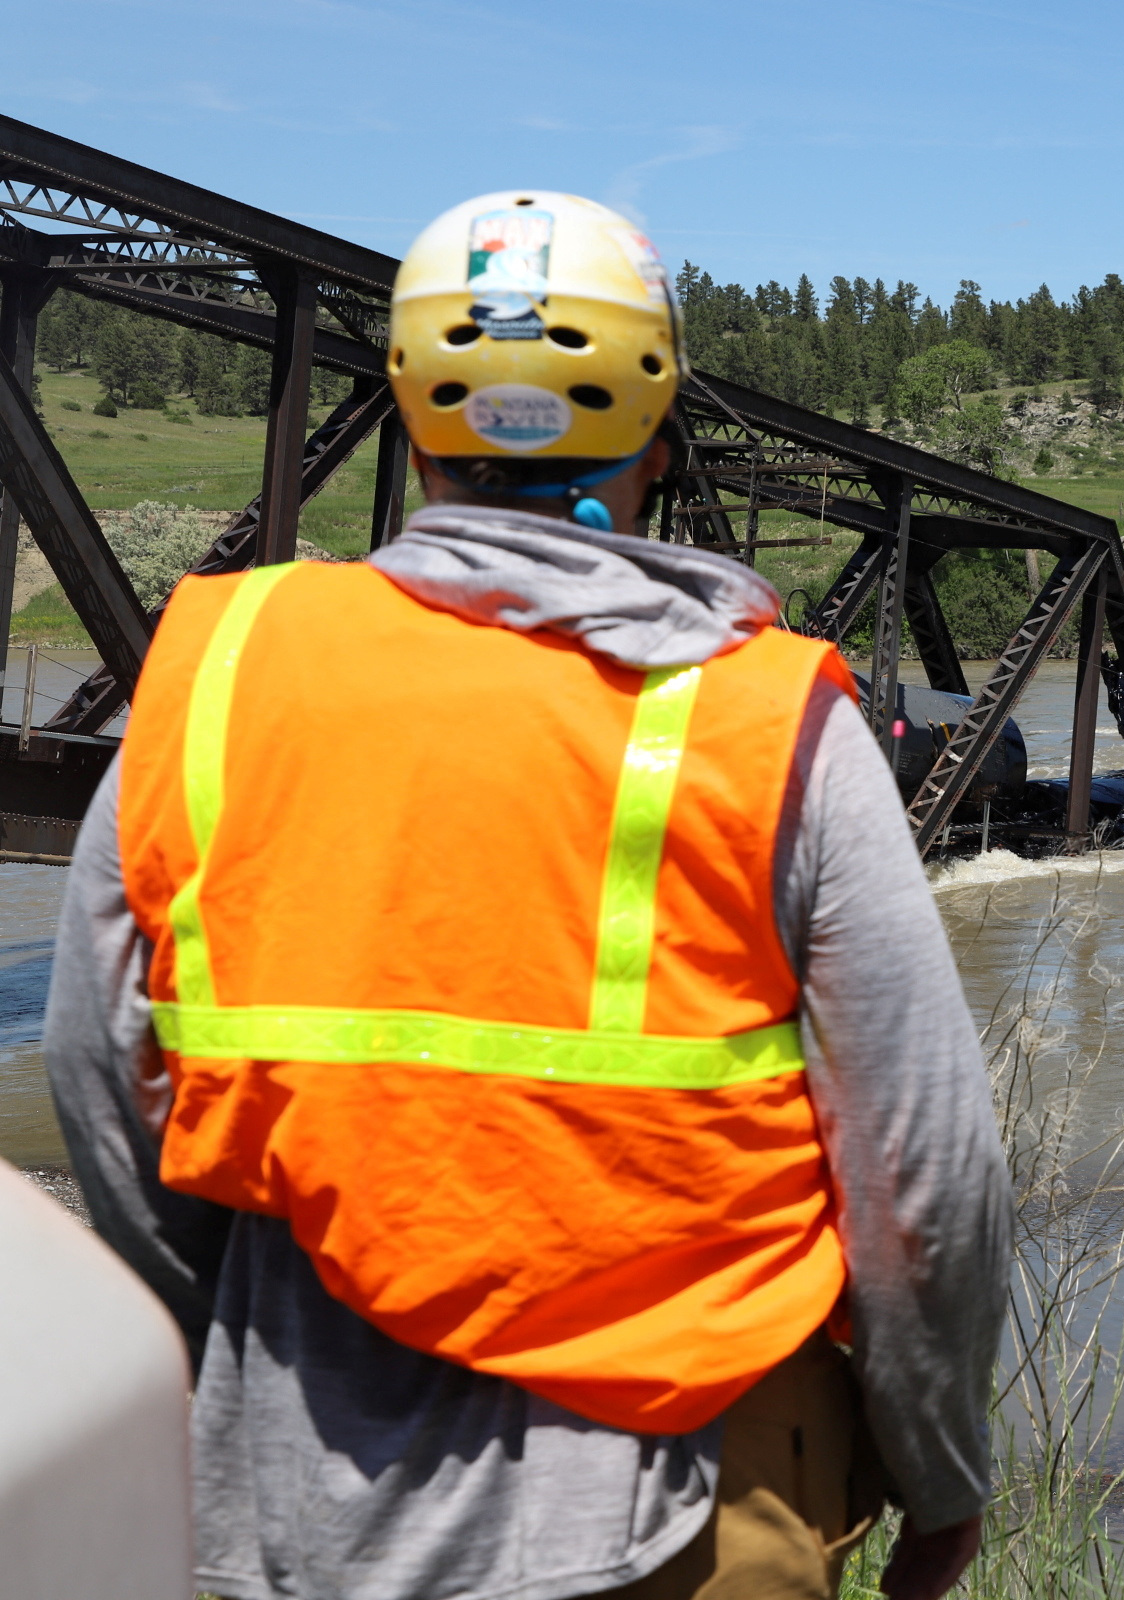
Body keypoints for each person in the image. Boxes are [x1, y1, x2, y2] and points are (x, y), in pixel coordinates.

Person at [46, 190, 1009, 1600]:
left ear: (410, 429)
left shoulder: (223, 671)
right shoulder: (766, 717)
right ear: (661, 447)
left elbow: (101, 1071)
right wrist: (939, 1470)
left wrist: (227, 1342)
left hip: (300, 1505)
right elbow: (922, 1170)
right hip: (685, 1500)